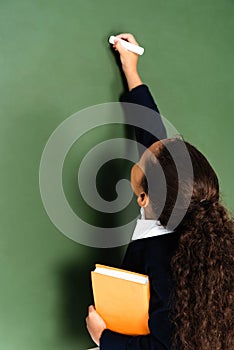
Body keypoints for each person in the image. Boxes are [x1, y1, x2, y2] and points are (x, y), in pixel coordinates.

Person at [86, 34, 234, 350]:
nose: (147, 146)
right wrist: (131, 69)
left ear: (143, 199)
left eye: (143, 157)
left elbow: (168, 346)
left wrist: (104, 337)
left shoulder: (163, 257)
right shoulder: (181, 199)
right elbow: (154, 136)